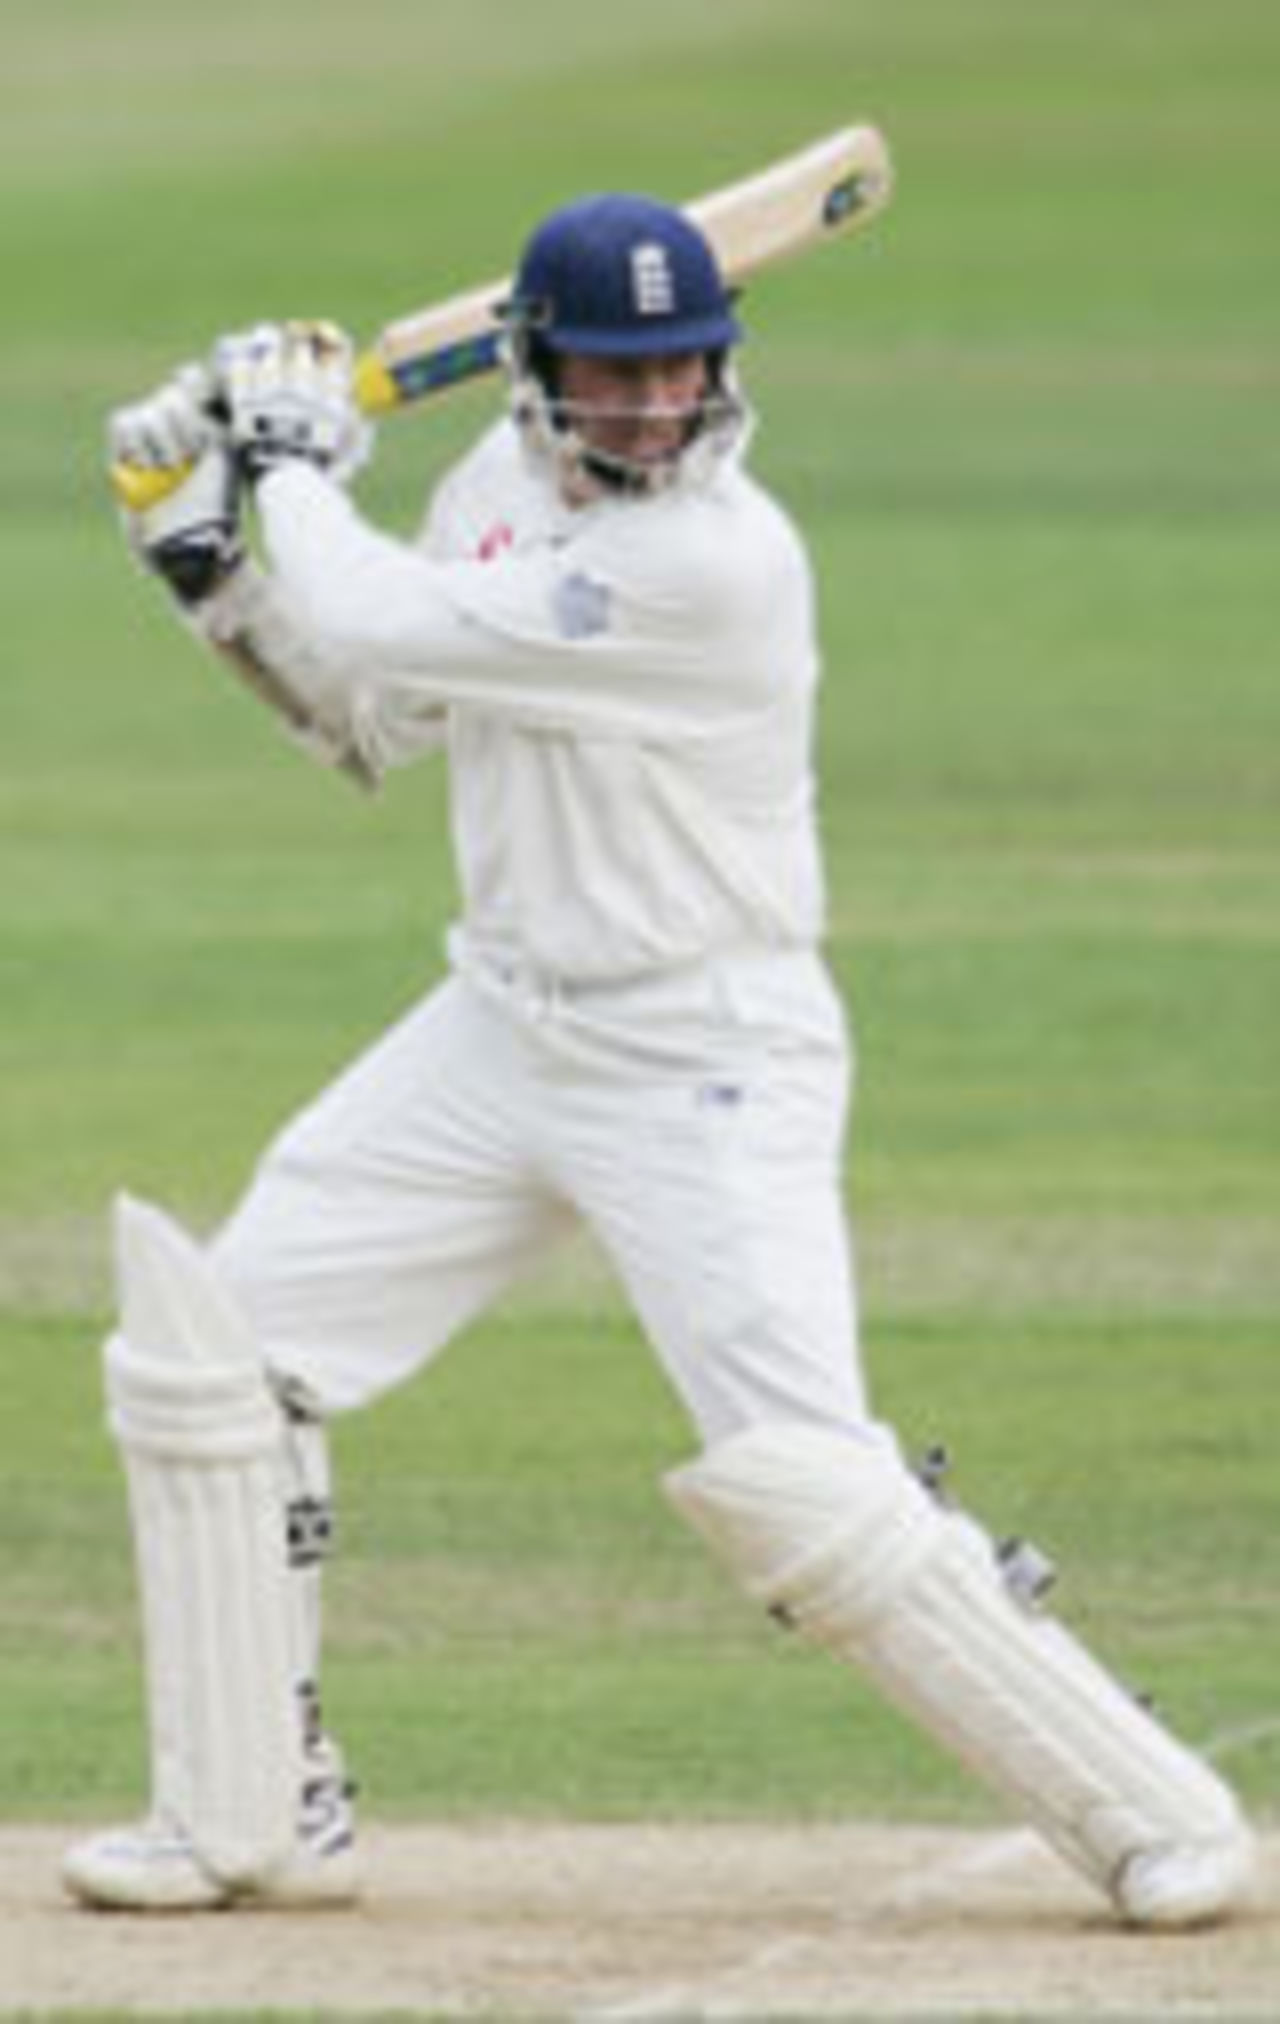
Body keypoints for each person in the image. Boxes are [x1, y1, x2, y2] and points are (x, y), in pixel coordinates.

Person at [64, 194, 1253, 1924]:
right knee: (220, 1366)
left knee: (803, 1482)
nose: (652, 407)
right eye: (614, 376)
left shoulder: (721, 560)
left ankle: (1151, 1803)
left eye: (681, 368)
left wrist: (292, 454)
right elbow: (371, 709)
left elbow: (391, 625)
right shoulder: (486, 498)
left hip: (704, 1048)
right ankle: (245, 1811)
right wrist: (210, 560)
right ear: (539, 372)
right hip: (501, 1021)